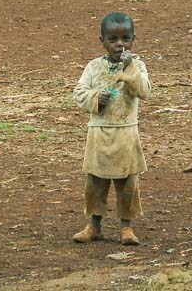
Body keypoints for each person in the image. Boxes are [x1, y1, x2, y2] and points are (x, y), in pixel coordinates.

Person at [72, 12, 150, 246]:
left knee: (128, 184)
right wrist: (96, 98)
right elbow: (79, 93)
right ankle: (94, 225)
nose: (120, 44)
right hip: (99, 132)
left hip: (126, 133)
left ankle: (126, 227)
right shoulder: (94, 67)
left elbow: (144, 91)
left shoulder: (138, 66)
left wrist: (130, 70)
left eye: (126, 38)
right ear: (102, 41)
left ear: (133, 39)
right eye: (113, 39)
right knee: (95, 182)